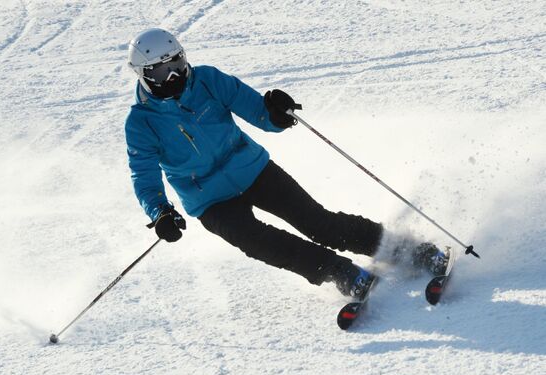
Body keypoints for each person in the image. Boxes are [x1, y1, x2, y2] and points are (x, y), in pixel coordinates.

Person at [125, 28, 448, 300]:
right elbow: (144, 175)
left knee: (319, 223)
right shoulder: (142, 122)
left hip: (251, 168)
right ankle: (341, 272)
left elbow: (259, 113)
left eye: (177, 63)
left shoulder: (208, 80)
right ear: (143, 74)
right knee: (260, 243)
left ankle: (411, 251)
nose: (173, 75)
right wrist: (160, 212)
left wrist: (277, 112)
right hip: (209, 200)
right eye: (159, 70)